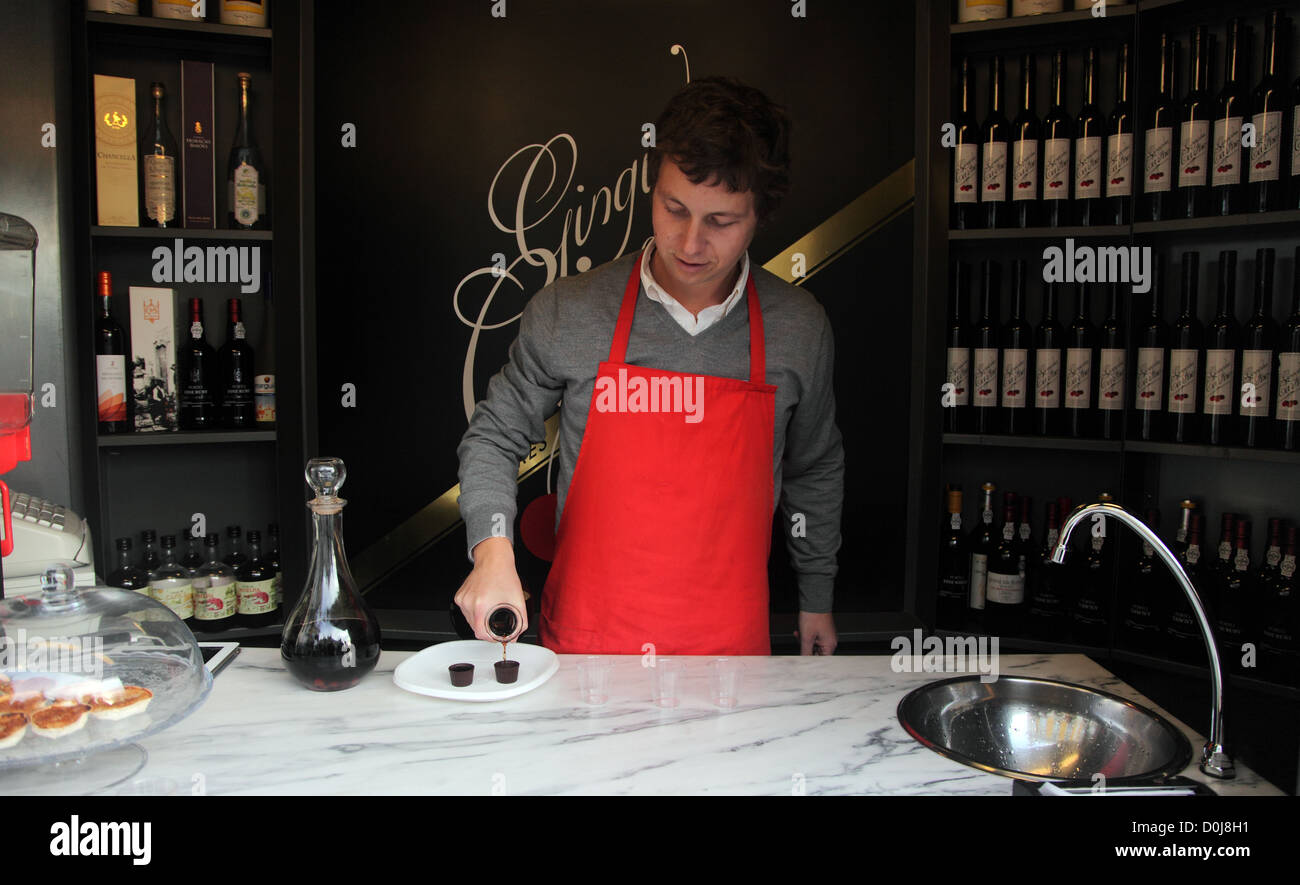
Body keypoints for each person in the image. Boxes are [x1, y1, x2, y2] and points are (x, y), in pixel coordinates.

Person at [455, 76, 844, 655]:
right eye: (674, 208)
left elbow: (813, 468)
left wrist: (817, 597)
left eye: (721, 221)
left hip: (729, 658)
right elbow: (493, 435)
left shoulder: (798, 327)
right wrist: (492, 549)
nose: (689, 242)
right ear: (651, 185)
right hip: (589, 646)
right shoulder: (570, 311)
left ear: (761, 215)